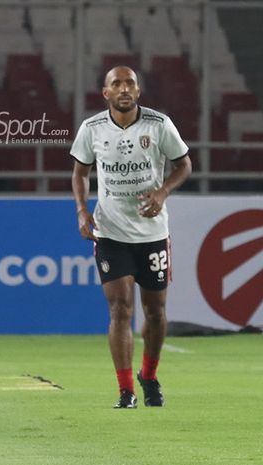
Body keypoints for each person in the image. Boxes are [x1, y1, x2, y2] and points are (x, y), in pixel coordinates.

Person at [70, 66, 192, 408]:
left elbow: (184, 164)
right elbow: (80, 172)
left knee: (155, 313)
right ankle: (126, 391)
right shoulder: (92, 129)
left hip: (153, 233)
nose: (124, 88)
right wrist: (82, 210)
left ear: (138, 91)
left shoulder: (159, 125)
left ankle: (149, 376)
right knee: (120, 310)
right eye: (116, 84)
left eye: (130, 83)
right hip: (110, 231)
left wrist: (163, 192)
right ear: (105, 93)